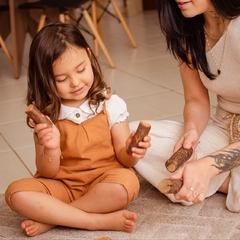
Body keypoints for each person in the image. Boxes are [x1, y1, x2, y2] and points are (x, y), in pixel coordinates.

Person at [5, 22, 151, 237]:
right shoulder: (45, 115)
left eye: (81, 69)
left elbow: (125, 161)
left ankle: (56, 218)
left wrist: (133, 150)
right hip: (61, 186)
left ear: (90, 55)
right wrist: (51, 147)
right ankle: (93, 220)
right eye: (61, 79)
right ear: (45, 79)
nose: (75, 83)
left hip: (104, 181)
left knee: (125, 185)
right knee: (15, 193)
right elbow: (47, 172)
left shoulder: (110, 104)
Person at [130, 0, 240, 212]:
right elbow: (196, 100)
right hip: (224, 128)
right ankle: (210, 178)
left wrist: (209, 165)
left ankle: (218, 181)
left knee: (203, 171)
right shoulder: (188, 32)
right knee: (135, 139)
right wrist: (191, 132)